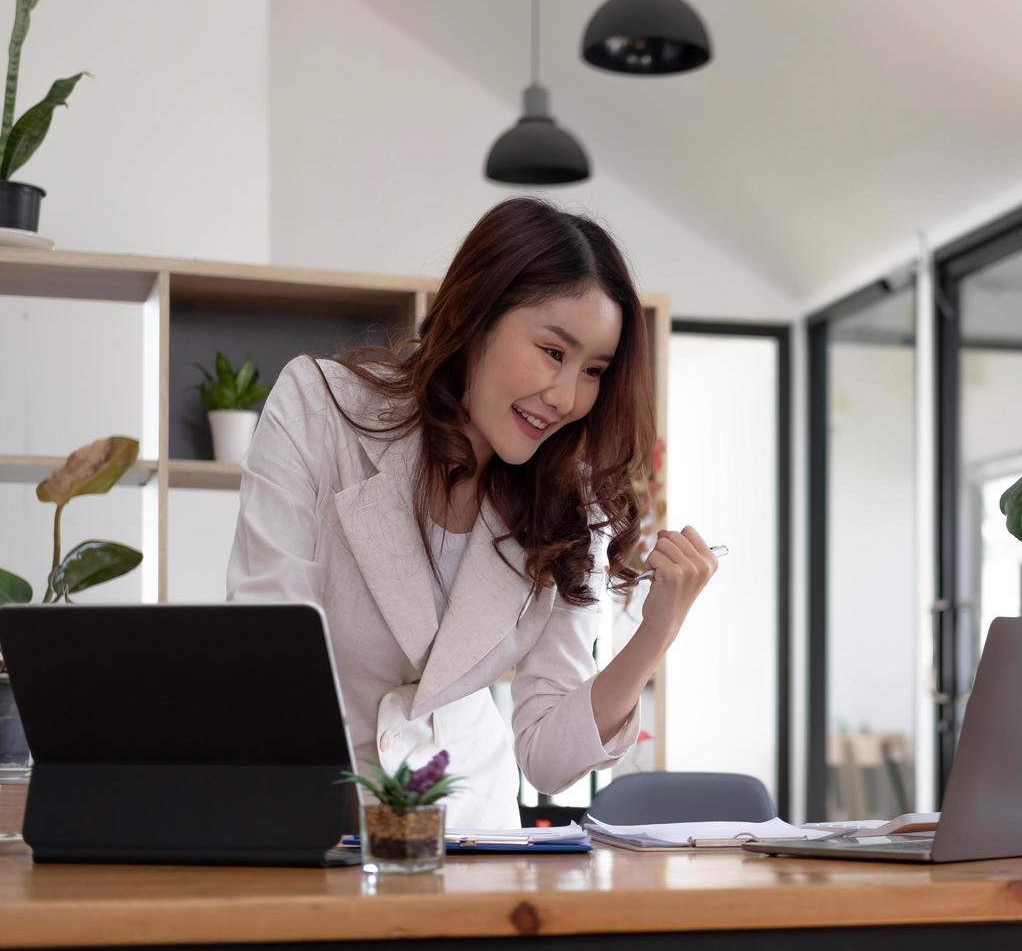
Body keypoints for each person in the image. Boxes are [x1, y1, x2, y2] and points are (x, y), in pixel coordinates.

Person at [226, 198, 717, 827]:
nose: (567, 397)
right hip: (316, 816)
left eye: (593, 370)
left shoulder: (571, 500)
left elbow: (545, 754)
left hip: (470, 830)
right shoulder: (319, 407)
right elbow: (266, 648)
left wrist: (657, 631)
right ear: (475, 313)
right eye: (552, 351)